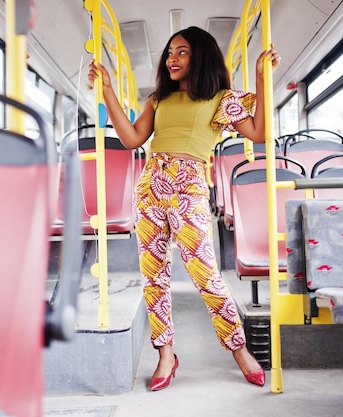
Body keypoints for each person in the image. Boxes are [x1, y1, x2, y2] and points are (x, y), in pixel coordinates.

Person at [88, 26, 280, 391]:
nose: (171, 59)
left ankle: (238, 348)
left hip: (189, 186)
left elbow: (259, 133)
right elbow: (131, 139)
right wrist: (108, 91)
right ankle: (165, 355)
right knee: (154, 275)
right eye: (169, 52)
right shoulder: (158, 100)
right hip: (149, 187)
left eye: (182, 52)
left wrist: (259, 77)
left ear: (201, 56)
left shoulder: (221, 98)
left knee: (205, 274)